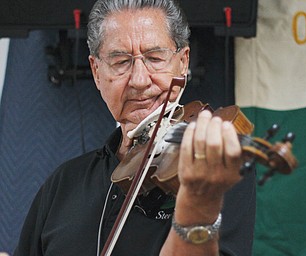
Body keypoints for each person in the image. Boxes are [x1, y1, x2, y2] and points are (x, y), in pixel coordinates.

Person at [14, 0, 256, 255]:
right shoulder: (62, 184)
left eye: (154, 58)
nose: (140, 80)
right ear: (96, 71)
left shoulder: (217, 165)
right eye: (121, 62)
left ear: (183, 62)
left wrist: (198, 203)